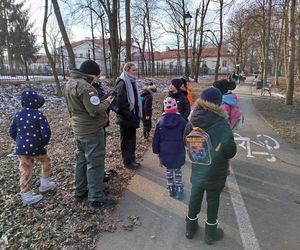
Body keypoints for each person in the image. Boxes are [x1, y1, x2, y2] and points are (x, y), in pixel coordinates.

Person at [184, 87, 236, 245]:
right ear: (218, 103)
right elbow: (230, 151)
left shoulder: (192, 119)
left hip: (198, 166)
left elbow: (185, 139)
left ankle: (190, 228)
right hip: (216, 169)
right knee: (213, 200)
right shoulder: (221, 123)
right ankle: (210, 233)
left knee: (195, 195)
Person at [64, 59, 115, 210]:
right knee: (95, 163)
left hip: (78, 129)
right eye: (98, 77)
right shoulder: (87, 88)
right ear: (92, 75)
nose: (98, 80)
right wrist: (108, 101)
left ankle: (80, 190)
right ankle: (96, 198)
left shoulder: (70, 83)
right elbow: (94, 110)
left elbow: (80, 106)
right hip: (91, 130)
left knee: (81, 160)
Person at [8, 90, 56, 206]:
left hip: (21, 149)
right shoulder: (38, 114)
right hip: (36, 147)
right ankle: (45, 183)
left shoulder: (18, 114)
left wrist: (19, 142)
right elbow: (46, 131)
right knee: (45, 161)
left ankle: (26, 195)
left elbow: (11, 131)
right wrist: (43, 142)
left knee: (25, 169)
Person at [152, 97, 187, 199]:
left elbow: (156, 138)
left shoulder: (160, 121)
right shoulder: (182, 121)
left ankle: (171, 189)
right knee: (177, 170)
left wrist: (156, 150)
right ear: (176, 108)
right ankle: (179, 190)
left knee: (169, 171)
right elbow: (186, 135)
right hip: (178, 150)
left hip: (165, 151)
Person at [115, 62, 142, 170]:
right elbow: (120, 102)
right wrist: (129, 115)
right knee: (126, 141)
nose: (136, 72)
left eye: (136, 70)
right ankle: (127, 162)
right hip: (126, 118)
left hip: (132, 116)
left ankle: (132, 159)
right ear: (127, 70)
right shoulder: (122, 82)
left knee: (132, 139)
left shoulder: (132, 81)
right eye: (133, 70)